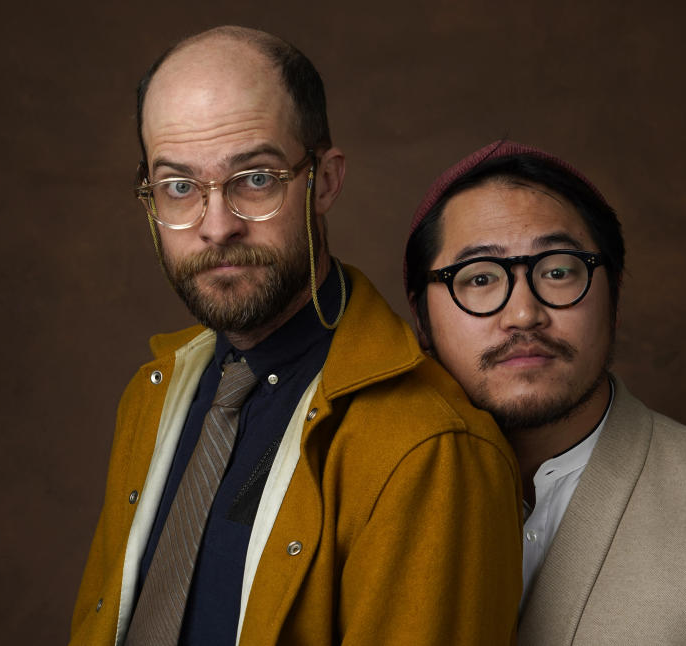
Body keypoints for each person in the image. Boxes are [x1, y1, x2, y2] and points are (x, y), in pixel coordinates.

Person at [70, 29, 523, 646]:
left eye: (254, 179)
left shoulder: (430, 447)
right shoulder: (151, 396)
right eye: (179, 187)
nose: (216, 226)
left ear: (326, 181)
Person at [404, 140, 686, 644]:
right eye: (479, 277)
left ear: (613, 299)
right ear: (423, 319)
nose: (523, 314)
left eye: (557, 271)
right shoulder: (381, 499)